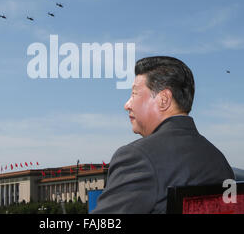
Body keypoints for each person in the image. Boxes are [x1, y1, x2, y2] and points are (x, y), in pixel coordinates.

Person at [91, 56, 235, 214]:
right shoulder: (220, 162)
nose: (127, 105)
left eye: (134, 94)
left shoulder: (137, 158)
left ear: (163, 99)